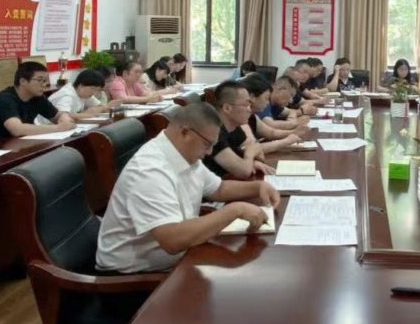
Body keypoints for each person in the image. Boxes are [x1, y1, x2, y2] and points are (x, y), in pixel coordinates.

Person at [95, 103, 281, 274]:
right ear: (185, 132)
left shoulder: (185, 154)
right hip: (133, 278)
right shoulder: (149, 170)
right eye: (207, 144)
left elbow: (218, 189)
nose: (209, 152)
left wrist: (257, 187)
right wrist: (234, 210)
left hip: (179, 258)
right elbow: (173, 241)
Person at [0, 61, 79, 143]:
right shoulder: (5, 99)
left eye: (45, 81)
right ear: (23, 81)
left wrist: (64, 119)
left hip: (17, 144)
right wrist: (58, 128)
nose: (44, 84)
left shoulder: (37, 97)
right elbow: (17, 129)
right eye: (40, 80)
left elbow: (57, 115)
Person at [202, 80, 273, 179]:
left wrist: (253, 162)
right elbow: (244, 171)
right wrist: (250, 155)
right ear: (227, 108)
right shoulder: (214, 132)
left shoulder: (234, 127)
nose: (249, 109)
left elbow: (258, 153)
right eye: (246, 105)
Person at [239, 73, 305, 152]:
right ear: (252, 97)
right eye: (266, 98)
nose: (268, 103)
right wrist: (287, 141)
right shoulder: (238, 117)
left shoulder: (252, 116)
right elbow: (252, 149)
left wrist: (295, 132)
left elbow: (272, 133)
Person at [48, 68, 116, 119]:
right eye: (93, 89)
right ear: (81, 85)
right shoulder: (67, 96)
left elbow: (99, 106)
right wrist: (87, 115)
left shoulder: (84, 93)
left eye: (97, 90)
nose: (94, 93)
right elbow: (61, 116)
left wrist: (104, 107)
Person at [106, 59, 175, 105]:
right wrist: (147, 99)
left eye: (140, 72)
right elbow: (123, 99)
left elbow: (146, 94)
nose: (139, 75)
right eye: (136, 72)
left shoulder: (135, 83)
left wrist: (156, 97)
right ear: (125, 73)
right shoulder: (117, 82)